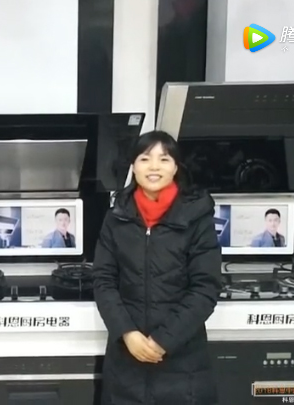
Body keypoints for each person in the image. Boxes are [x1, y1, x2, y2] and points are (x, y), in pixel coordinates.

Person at [93, 130, 222, 404]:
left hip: (182, 362)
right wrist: (128, 334)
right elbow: (103, 280)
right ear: (133, 166)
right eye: (144, 159)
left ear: (175, 167)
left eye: (164, 159)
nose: (154, 167)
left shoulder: (197, 217)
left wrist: (163, 340)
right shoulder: (116, 217)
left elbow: (205, 288)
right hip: (126, 361)